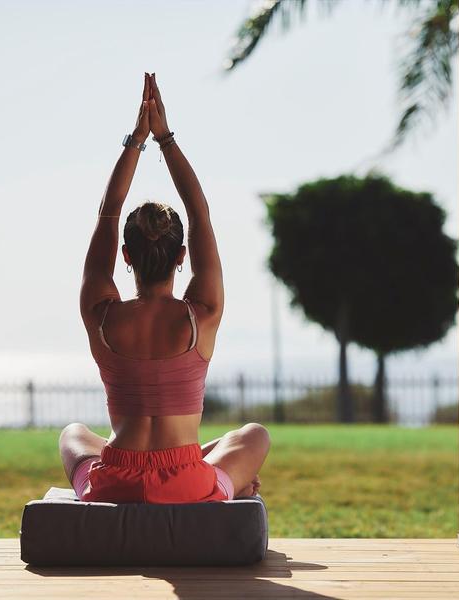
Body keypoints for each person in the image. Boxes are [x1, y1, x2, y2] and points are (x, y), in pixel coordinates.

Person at [58, 73, 270, 503]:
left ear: (126, 256)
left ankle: (206, 472)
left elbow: (109, 211)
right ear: (181, 256)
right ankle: (227, 485)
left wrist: (135, 140)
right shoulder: (203, 313)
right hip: (187, 482)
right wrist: (164, 138)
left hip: (114, 481)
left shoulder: (100, 314)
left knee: (74, 435)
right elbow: (199, 211)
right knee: (253, 435)